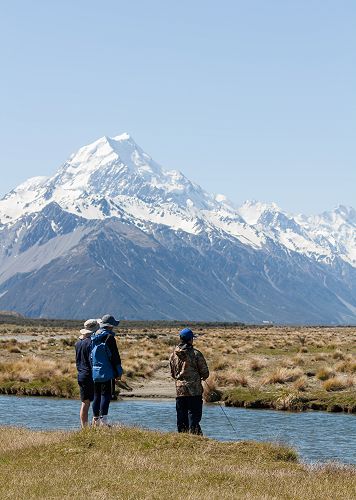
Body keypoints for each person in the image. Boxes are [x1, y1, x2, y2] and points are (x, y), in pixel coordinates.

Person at [169, 327, 209, 435]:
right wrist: (202, 376)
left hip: (180, 391)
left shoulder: (173, 355)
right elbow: (205, 373)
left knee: (181, 418)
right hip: (194, 391)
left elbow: (172, 374)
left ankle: (182, 439)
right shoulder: (196, 354)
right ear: (190, 339)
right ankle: (195, 438)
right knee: (194, 417)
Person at [91, 314, 123, 426]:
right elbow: (115, 357)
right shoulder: (109, 338)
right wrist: (119, 372)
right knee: (106, 395)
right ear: (110, 326)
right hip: (107, 371)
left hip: (95, 372)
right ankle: (104, 421)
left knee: (96, 395)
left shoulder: (94, 336)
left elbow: (91, 356)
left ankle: (95, 420)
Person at [75, 318, 99, 427]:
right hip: (90, 374)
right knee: (93, 401)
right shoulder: (92, 343)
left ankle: (84, 427)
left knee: (85, 402)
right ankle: (94, 425)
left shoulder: (78, 344)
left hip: (81, 374)